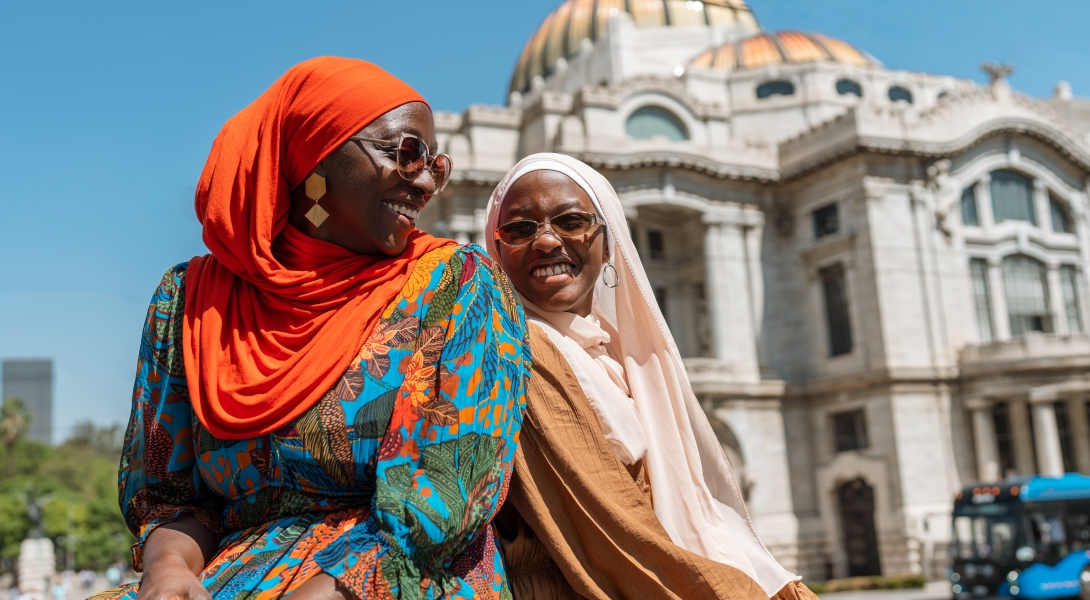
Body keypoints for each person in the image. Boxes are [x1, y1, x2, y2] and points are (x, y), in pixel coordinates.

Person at [90, 56, 530, 600]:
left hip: (400, 580)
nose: (424, 184)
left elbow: (444, 494)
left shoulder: (457, 285)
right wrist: (168, 569)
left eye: (435, 165)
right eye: (407, 154)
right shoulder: (186, 303)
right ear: (317, 155)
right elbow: (170, 497)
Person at [484, 154, 816, 600]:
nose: (546, 241)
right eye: (521, 229)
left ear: (607, 241)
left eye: (570, 221)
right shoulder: (519, 352)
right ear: (498, 250)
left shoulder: (614, 356)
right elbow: (621, 540)